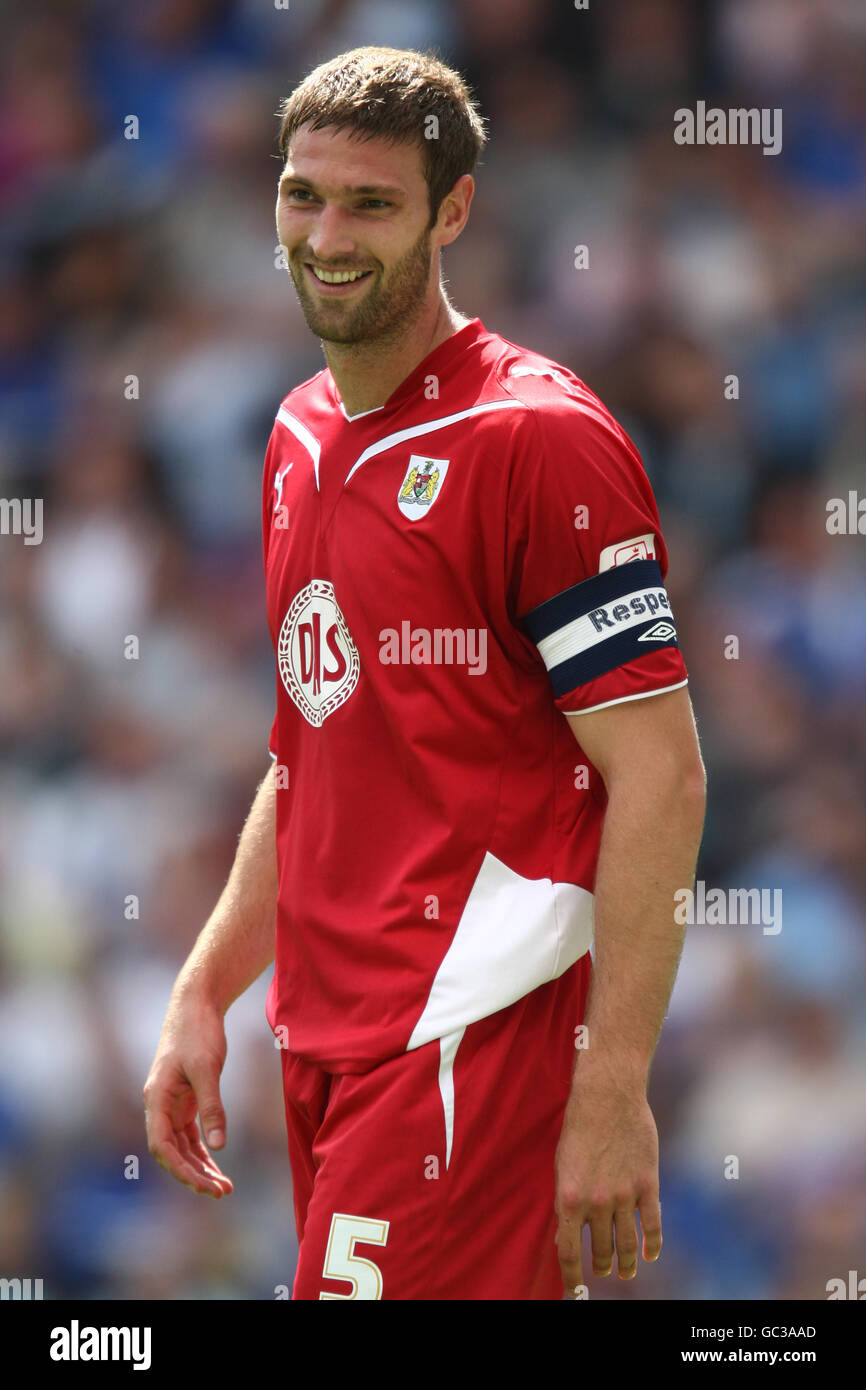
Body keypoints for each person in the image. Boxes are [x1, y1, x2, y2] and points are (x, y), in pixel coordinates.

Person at [144, 45, 706, 1301]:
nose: (326, 234)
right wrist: (208, 983)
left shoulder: (536, 440)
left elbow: (661, 777)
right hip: (331, 1037)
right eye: (303, 196)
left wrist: (611, 1082)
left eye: (371, 204)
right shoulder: (296, 431)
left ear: (452, 212)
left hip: (471, 1034)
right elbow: (314, 749)